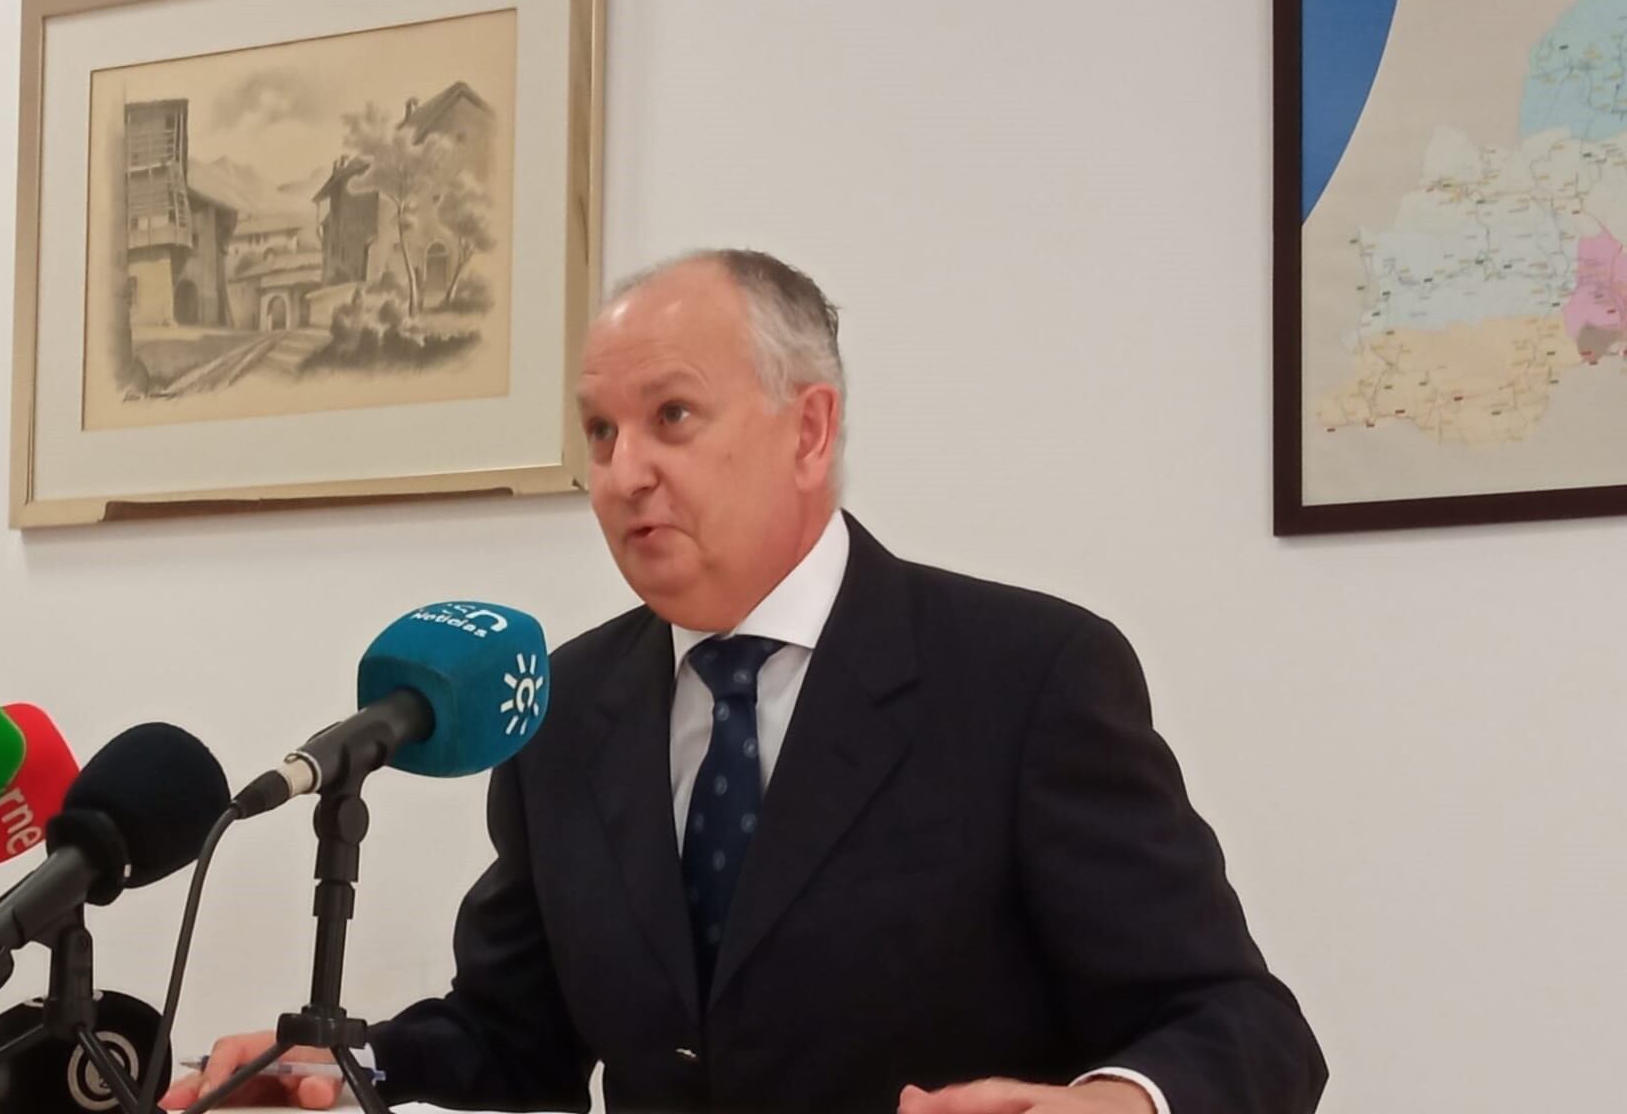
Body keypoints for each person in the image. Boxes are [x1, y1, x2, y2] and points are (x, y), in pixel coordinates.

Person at [162, 250, 1325, 1114]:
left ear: (808, 431)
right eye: (599, 433)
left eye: (669, 416)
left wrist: (1120, 1102)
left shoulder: (1025, 677)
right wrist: (346, 1067)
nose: (623, 473)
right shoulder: (562, 706)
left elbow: (1238, 1021)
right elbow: (515, 1033)